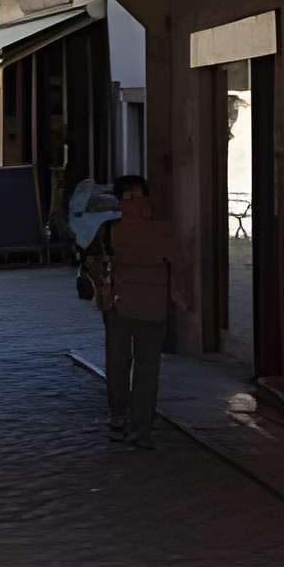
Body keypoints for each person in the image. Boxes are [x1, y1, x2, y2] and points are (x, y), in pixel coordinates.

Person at [98, 172, 172, 449]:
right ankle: (131, 422)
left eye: (138, 197)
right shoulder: (160, 231)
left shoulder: (111, 229)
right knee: (130, 366)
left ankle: (133, 423)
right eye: (129, 198)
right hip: (130, 303)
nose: (134, 203)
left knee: (136, 366)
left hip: (136, 304)